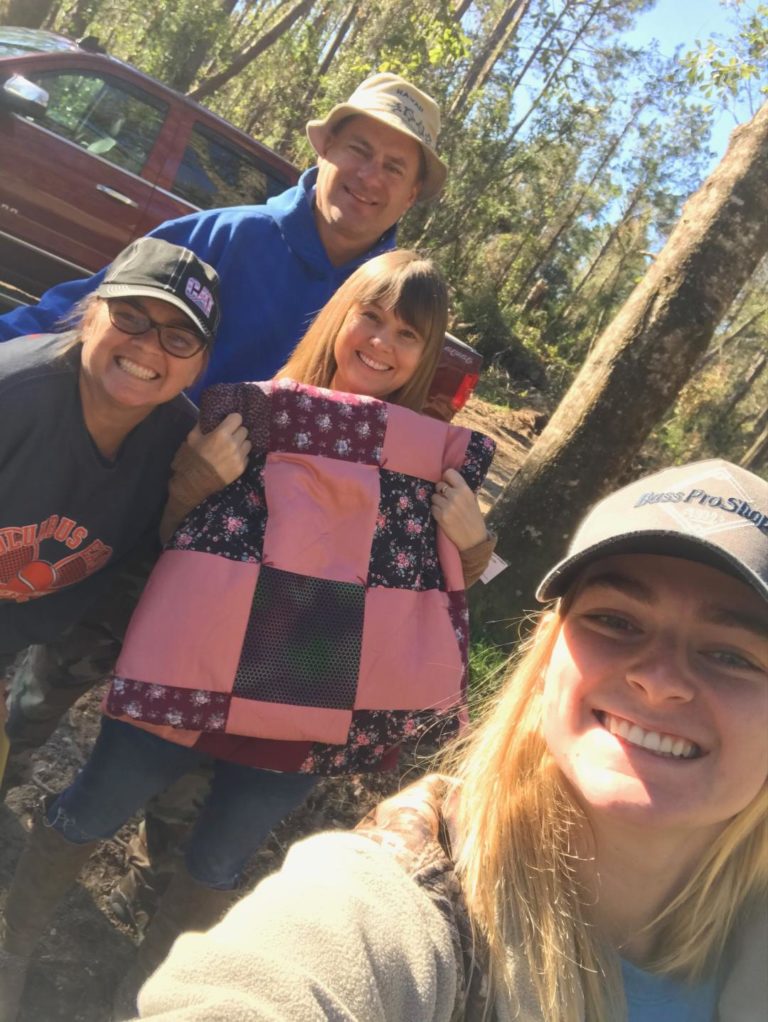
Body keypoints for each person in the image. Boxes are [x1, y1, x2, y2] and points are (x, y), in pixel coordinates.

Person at [0, 251, 496, 1021]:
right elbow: (171, 543)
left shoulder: (430, 460)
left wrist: (475, 543)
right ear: (339, 316)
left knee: (219, 859)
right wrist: (194, 483)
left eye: (408, 334)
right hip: (196, 659)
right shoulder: (250, 417)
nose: (382, 343)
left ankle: (147, 999)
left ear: (426, 353)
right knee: (95, 803)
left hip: (319, 685)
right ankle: (12, 947)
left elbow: (447, 582)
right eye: (371, 316)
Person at [0, 74, 449, 903]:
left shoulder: (391, 303)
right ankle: (12, 782)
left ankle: (151, 892)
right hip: (141, 523)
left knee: (200, 741)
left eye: (396, 165)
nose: (370, 176)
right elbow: (84, 313)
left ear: (414, 192)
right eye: (359, 149)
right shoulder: (225, 238)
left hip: (267, 589)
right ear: (324, 146)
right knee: (52, 680)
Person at [129, 458, 765, 1021]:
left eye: (732, 655)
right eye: (616, 621)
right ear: (547, 659)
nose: (659, 680)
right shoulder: (398, 902)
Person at [0, 237, 248, 723]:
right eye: (130, 317)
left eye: (179, 339)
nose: (148, 346)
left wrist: (192, 490)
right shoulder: (13, 395)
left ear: (198, 367)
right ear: (91, 315)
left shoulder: (180, 446)